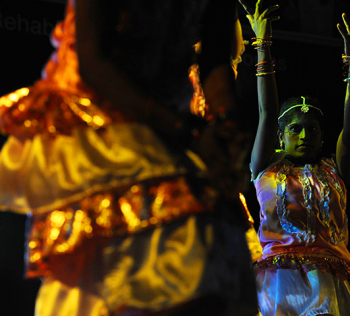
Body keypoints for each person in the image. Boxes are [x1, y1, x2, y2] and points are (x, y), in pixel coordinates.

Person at [0, 0, 259, 315]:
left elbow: (215, 56)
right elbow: (92, 59)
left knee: (207, 252)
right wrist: (188, 132)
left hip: (166, 123)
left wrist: (227, 124)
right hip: (95, 117)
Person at [239, 0, 350, 315]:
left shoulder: (334, 169)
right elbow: (268, 111)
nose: (304, 136)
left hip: (334, 284)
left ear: (322, 135)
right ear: (280, 136)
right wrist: (263, 43)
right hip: (278, 285)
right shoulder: (266, 167)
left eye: (312, 129)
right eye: (295, 130)